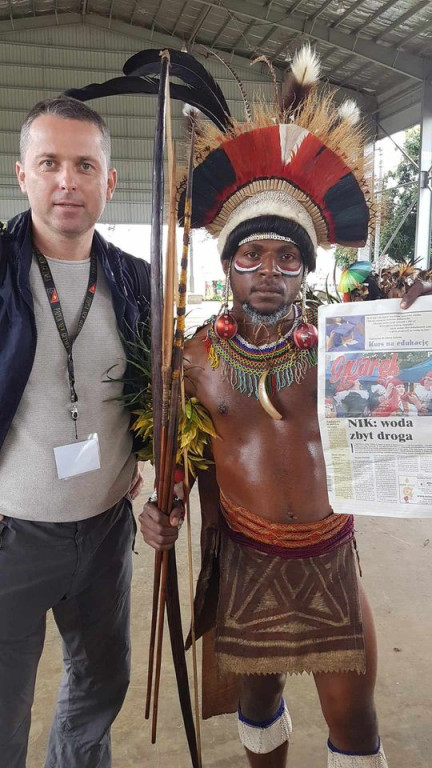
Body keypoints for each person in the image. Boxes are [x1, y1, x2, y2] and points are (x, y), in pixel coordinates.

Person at [139, 46, 432, 768]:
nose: (267, 271)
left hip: (331, 562)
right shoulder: (197, 358)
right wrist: (162, 507)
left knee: (355, 725)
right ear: (226, 263)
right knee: (258, 709)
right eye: (251, 254)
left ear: (307, 265)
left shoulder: (346, 347)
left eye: (286, 257)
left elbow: (408, 393)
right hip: (245, 562)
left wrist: (412, 321)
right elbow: (182, 461)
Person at [0, 96, 150, 768]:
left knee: (100, 687)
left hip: (105, 534)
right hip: (12, 536)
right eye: (50, 163)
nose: (68, 180)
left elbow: (157, 396)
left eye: (85, 165)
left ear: (108, 181)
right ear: (22, 173)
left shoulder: (136, 282)